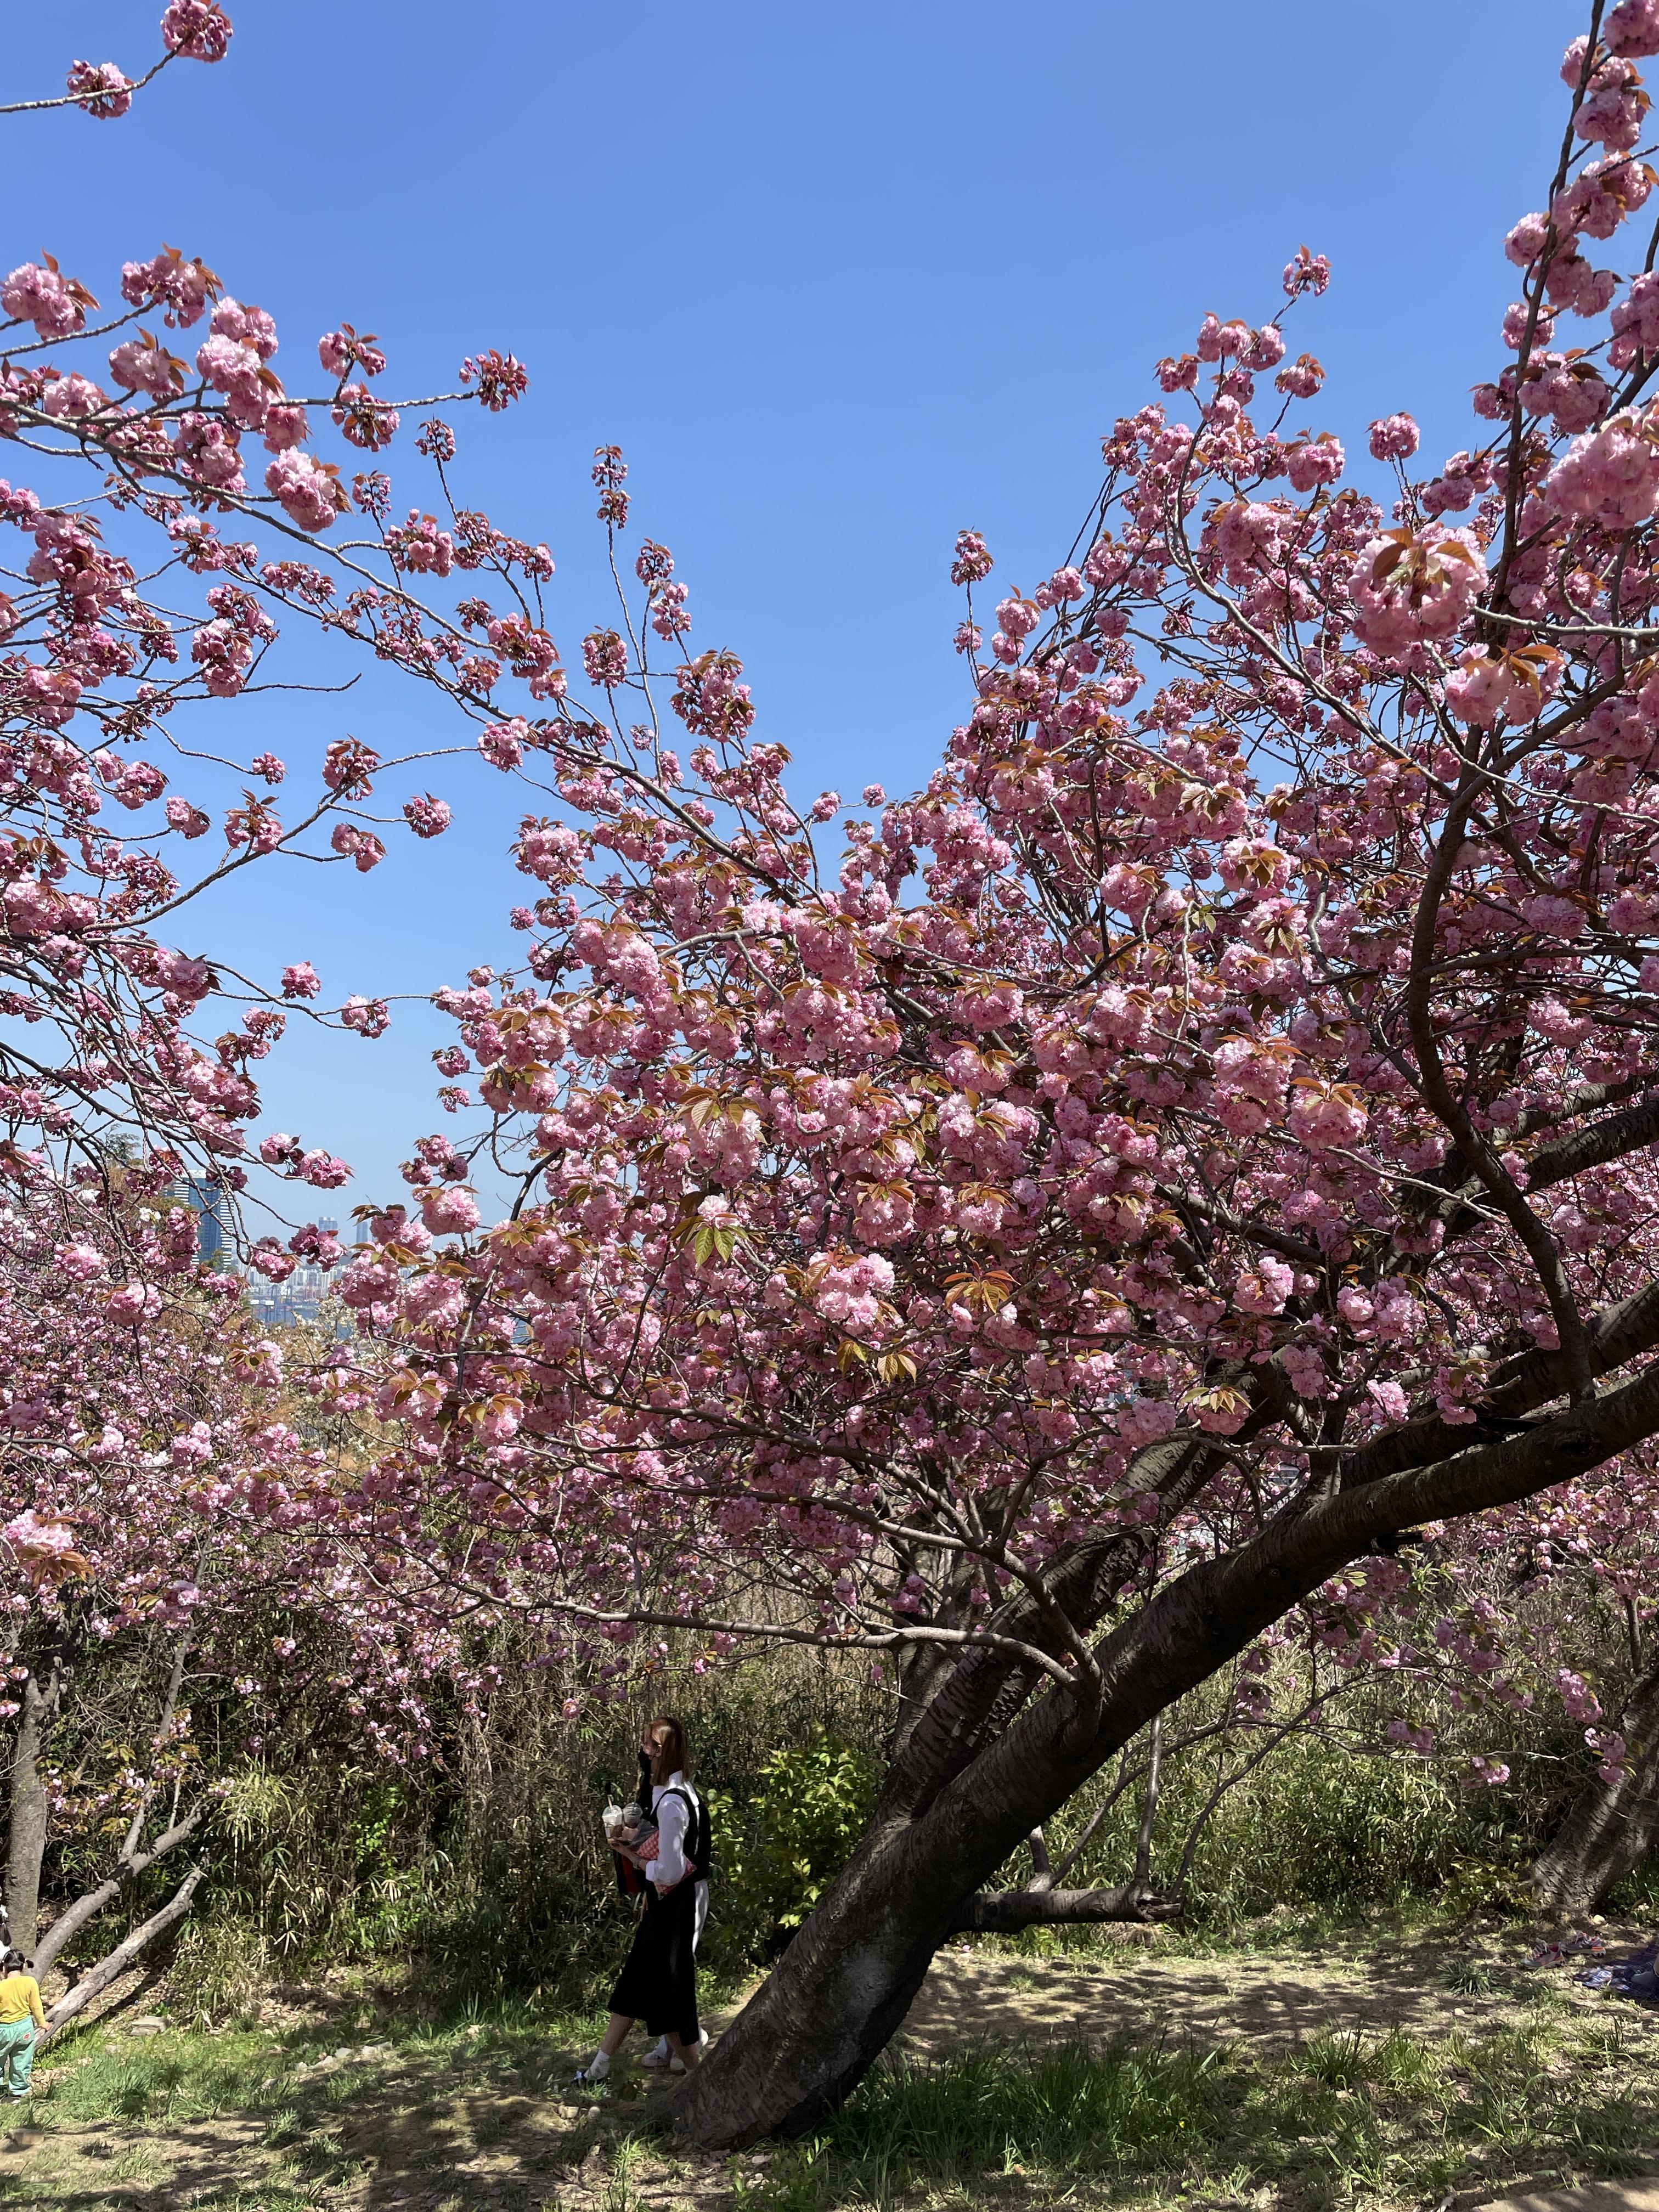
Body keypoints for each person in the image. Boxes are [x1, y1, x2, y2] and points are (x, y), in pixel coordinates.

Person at [577, 1716, 707, 2085]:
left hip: (675, 1906)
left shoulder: (672, 1804)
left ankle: (696, 2070)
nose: (644, 1751)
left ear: (664, 1753)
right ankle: (600, 2068)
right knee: (646, 1987)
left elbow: (669, 1869)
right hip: (669, 1904)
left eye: (651, 1746)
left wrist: (633, 1857)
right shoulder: (682, 1796)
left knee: (659, 1992)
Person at [0, 1948, 45, 2100]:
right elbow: (36, 2005)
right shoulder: (30, 1982)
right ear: (24, 1966)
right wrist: (42, 2023)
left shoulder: (1, 1986)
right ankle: (18, 2092)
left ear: (4, 1967)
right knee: (21, 2060)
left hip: (4, 2028)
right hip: (25, 2027)